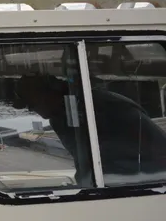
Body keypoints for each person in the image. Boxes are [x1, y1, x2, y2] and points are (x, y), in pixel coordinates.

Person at [12, 73, 166, 185]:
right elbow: (85, 162)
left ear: (49, 93)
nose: (32, 109)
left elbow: (99, 159)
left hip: (146, 174)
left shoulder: (96, 108)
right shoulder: (61, 115)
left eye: (32, 104)